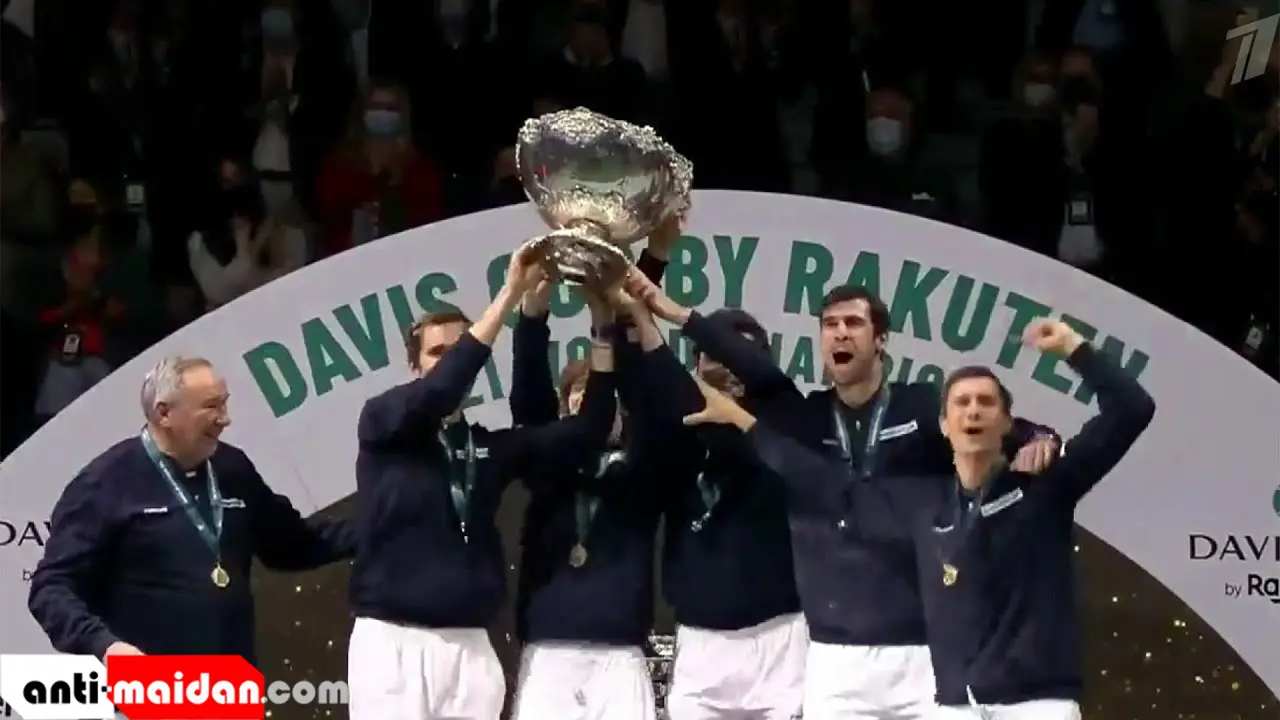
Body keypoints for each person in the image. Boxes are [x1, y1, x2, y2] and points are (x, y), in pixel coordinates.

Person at [683, 319, 1157, 720]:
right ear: (944, 425)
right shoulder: (923, 505)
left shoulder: (1046, 488)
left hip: (1037, 705)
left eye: (986, 402)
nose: (973, 411)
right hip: (955, 706)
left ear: (1007, 423)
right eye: (961, 403)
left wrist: (1074, 348)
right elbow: (828, 486)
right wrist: (745, 423)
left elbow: (1132, 410)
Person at [631, 278, 1060, 720]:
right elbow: (759, 373)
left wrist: (1039, 438)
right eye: (830, 325)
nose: (840, 333)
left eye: (853, 323)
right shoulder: (805, 417)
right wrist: (680, 316)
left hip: (922, 644)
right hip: (834, 654)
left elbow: (1003, 428)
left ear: (881, 339)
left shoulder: (922, 407)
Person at [346, 240, 618, 720]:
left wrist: (599, 327)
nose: (449, 361)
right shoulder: (384, 421)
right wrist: (509, 295)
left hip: (471, 646)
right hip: (393, 641)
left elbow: (589, 429)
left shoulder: (488, 449)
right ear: (414, 365)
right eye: (436, 352)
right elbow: (442, 389)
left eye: (457, 350)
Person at [27, 356, 356, 660]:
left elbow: (293, 544)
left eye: (224, 403)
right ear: (164, 414)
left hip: (230, 684)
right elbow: (51, 586)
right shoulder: (106, 481)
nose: (225, 419)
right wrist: (104, 646)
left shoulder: (233, 469)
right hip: (149, 688)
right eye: (211, 406)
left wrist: (375, 527)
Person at [506, 281, 661, 720]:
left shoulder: (641, 467)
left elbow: (647, 396)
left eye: (600, 394)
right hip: (549, 652)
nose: (590, 403)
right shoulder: (546, 465)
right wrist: (532, 318)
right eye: (578, 395)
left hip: (621, 654)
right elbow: (529, 403)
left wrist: (610, 321)